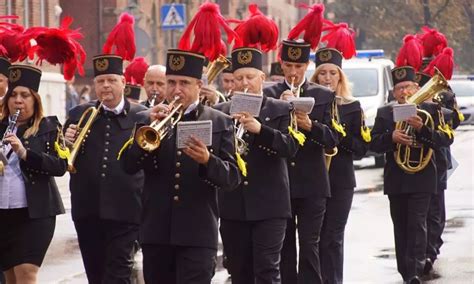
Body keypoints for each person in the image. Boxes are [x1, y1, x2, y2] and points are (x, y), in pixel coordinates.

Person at [121, 49, 241, 283]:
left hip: (198, 232)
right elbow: (127, 165)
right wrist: (146, 127)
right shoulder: (148, 118)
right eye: (172, 83)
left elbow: (232, 177)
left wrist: (208, 160)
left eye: (184, 83)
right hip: (156, 230)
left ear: (198, 85)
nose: (177, 90)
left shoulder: (219, 121)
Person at [214, 44, 298, 283]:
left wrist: (261, 130)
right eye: (238, 78)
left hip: (271, 206)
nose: (244, 83)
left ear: (262, 78)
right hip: (233, 205)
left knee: (267, 271)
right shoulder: (220, 112)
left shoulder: (280, 108)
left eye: (250, 77)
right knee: (239, 271)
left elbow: (290, 148)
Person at [64, 54, 147, 283]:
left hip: (127, 210)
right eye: (100, 81)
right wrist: (66, 142)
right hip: (87, 209)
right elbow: (61, 156)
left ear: (123, 81)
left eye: (111, 80)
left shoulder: (141, 116)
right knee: (95, 273)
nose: (106, 86)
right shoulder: (79, 114)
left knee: (118, 273)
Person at [264, 41, 339, 284]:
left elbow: (332, 139)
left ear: (307, 65)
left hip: (313, 182)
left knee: (309, 245)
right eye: (288, 65)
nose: (293, 72)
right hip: (279, 182)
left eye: (299, 65)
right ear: (282, 65)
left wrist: (310, 125)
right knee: (283, 247)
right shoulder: (269, 95)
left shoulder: (323, 95)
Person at [370, 66, 453, 283]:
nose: (404, 92)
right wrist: (392, 137)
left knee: (417, 223)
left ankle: (415, 269)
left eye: (408, 86)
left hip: (423, 177)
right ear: (393, 92)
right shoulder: (385, 113)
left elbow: (445, 139)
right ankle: (405, 270)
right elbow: (373, 143)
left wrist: (422, 128)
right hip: (396, 179)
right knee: (401, 225)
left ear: (417, 87)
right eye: (399, 88)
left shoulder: (430, 110)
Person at [0, 64, 67, 283]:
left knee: (26, 273)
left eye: (25, 95)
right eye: (14, 95)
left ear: (35, 99)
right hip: (3, 212)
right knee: (10, 277)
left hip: (35, 214)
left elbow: (59, 166)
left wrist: (23, 152)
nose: (18, 101)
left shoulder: (49, 128)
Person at [310, 47, 370, 283]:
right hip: (313, 178)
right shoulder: (308, 105)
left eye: (332, 73)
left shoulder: (352, 106)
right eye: (322, 73)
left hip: (341, 180)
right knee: (313, 237)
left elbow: (362, 149)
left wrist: (338, 135)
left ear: (340, 77)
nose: (326, 78)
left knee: (333, 237)